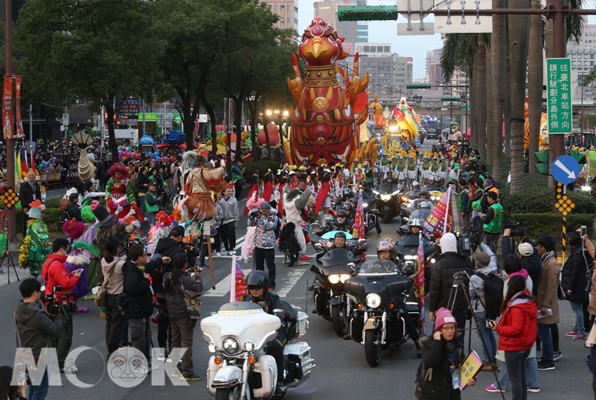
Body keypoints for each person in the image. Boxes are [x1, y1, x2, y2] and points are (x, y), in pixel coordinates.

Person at [14, 278, 66, 400]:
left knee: (33, 388)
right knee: (40, 392)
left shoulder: (19, 309)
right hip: (38, 355)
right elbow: (54, 330)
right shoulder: (36, 315)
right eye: (39, 291)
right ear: (34, 293)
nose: (40, 293)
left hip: (26, 354)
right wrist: (60, 316)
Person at [490, 275, 537, 400]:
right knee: (521, 377)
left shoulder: (516, 306)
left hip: (514, 345)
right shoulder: (528, 301)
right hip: (525, 345)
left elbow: (516, 329)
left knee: (515, 379)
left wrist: (498, 328)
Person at [122, 244, 169, 365]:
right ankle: (138, 363)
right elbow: (132, 289)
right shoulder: (131, 272)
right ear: (138, 258)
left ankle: (145, 360)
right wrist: (146, 281)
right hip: (136, 310)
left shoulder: (137, 267)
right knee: (138, 339)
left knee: (146, 338)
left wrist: (160, 261)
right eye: (144, 255)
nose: (146, 257)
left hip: (142, 310)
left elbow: (148, 267)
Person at [40, 238, 82, 372]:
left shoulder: (48, 262)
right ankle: (59, 363)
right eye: (67, 250)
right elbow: (66, 284)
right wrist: (76, 277)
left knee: (55, 333)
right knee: (65, 335)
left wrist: (69, 275)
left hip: (50, 301)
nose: (67, 253)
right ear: (63, 249)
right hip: (60, 302)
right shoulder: (57, 264)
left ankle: (53, 361)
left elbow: (57, 279)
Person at [428, 232, 474, 351]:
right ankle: (459, 355)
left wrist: (432, 309)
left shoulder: (439, 265)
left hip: (444, 308)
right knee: (459, 332)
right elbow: (471, 285)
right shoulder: (467, 261)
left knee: (442, 333)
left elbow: (434, 290)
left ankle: (443, 357)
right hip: (463, 305)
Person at [243, 271, 286, 396]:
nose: (254, 290)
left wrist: (274, 315)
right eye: (251, 287)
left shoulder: (273, 299)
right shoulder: (246, 299)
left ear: (265, 287)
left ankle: (279, 382)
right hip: (251, 334)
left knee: (274, 347)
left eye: (257, 287)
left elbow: (279, 317)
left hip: (270, 333)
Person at [418, 307, 474, 399]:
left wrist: (470, 379)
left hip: (453, 391)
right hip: (434, 393)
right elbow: (431, 362)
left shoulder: (457, 343)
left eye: (452, 327)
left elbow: (462, 366)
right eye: (446, 328)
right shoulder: (429, 344)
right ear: (439, 330)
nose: (450, 331)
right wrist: (437, 342)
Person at [163, 253, 203, 381]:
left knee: (175, 340)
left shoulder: (167, 276)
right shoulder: (184, 279)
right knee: (186, 342)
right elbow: (197, 290)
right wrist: (197, 277)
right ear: (185, 264)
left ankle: (174, 368)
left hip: (172, 311)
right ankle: (187, 371)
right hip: (184, 312)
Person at [469, 244, 498, 371]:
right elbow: (491, 254)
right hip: (492, 309)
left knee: (484, 335)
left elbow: (471, 294)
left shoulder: (475, 278)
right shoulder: (493, 267)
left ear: (478, 263)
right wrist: (484, 245)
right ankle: (494, 358)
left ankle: (488, 361)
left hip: (480, 309)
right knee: (490, 333)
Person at [561, 231, 593, 340]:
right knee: (578, 307)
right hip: (580, 285)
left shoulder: (577, 253)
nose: (568, 240)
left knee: (576, 308)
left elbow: (574, 272)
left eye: (570, 238)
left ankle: (581, 331)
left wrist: (570, 287)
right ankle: (577, 329)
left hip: (575, 286)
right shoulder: (579, 251)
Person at [535, 235, 560, 371]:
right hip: (544, 301)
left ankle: (548, 360)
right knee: (544, 331)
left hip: (546, 303)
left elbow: (551, 286)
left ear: (543, 247)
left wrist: (545, 304)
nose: (537, 249)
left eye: (538, 246)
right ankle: (546, 357)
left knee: (544, 332)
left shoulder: (551, 263)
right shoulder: (546, 260)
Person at [100, 237, 127, 356]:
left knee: (109, 325)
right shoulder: (121, 263)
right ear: (117, 249)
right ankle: (112, 352)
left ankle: (110, 350)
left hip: (107, 295)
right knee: (116, 327)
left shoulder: (103, 261)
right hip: (118, 296)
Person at [250, 202, 279, 290]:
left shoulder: (274, 217)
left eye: (266, 210)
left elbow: (269, 226)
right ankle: (260, 283)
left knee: (270, 266)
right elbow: (252, 224)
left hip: (269, 246)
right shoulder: (259, 215)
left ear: (269, 209)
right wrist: (253, 216)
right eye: (263, 210)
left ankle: (271, 284)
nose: (264, 211)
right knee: (259, 266)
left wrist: (261, 219)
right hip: (259, 245)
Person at [502, 228, 541, 293]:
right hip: (533, 293)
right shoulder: (538, 261)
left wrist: (506, 237)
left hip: (520, 294)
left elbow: (507, 254)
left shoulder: (521, 265)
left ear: (520, 255)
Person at [19, 170, 41, 237]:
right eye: (30, 175)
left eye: (32, 175)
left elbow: (38, 196)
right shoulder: (24, 185)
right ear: (27, 177)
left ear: (35, 177)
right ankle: (25, 237)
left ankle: (35, 236)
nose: (31, 177)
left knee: (35, 222)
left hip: (35, 207)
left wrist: (40, 205)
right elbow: (22, 197)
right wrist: (24, 207)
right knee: (26, 222)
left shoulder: (36, 185)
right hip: (27, 207)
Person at [219, 187, 239, 256]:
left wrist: (236, 220)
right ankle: (226, 249)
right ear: (224, 192)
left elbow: (236, 210)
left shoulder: (234, 200)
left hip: (231, 219)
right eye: (228, 191)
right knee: (224, 235)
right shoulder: (220, 201)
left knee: (231, 234)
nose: (230, 193)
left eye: (231, 191)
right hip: (223, 220)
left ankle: (231, 248)